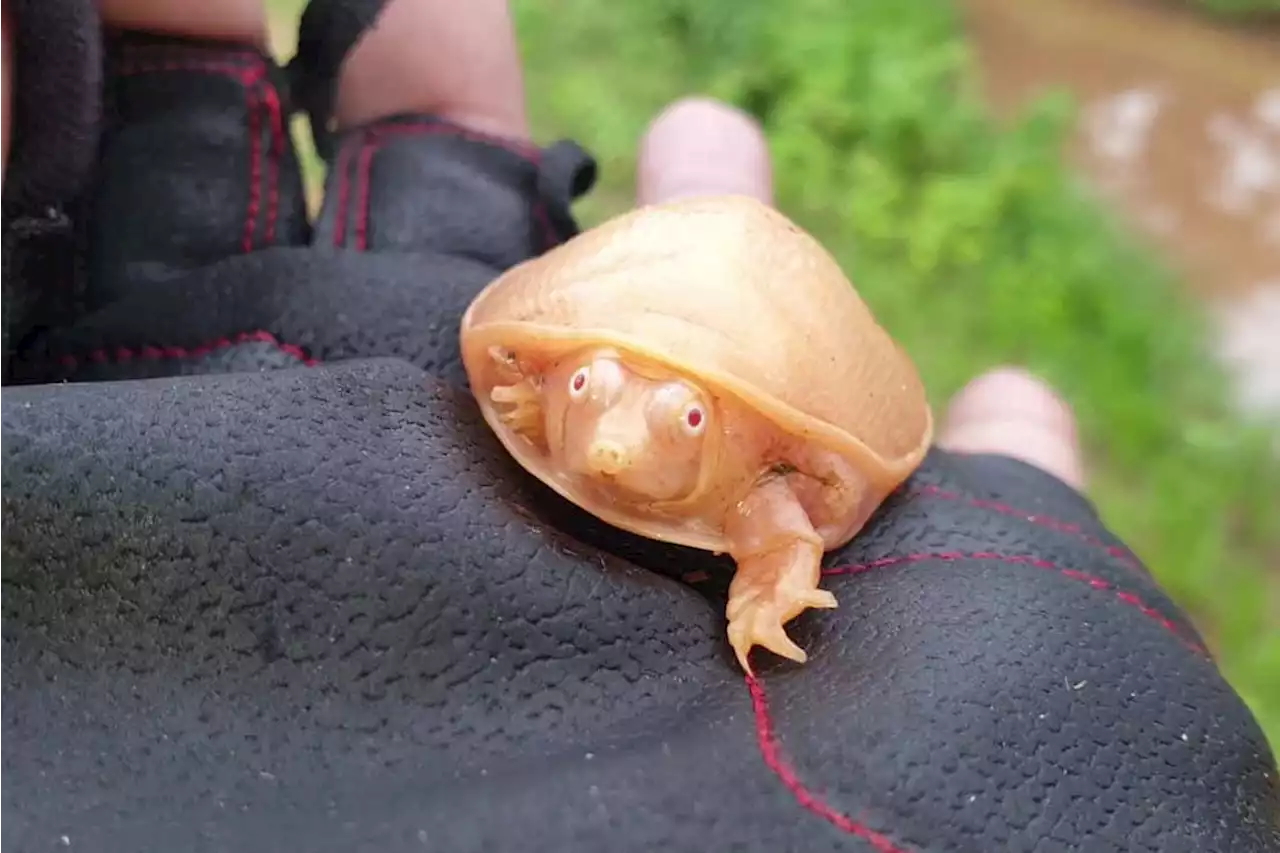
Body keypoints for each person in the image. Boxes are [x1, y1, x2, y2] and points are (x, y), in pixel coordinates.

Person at [0, 0, 1276, 851]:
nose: (606, 444)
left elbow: (787, 515)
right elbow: (532, 364)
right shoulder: (556, 379)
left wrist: (769, 589)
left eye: (668, 419)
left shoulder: (762, 474)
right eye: (582, 392)